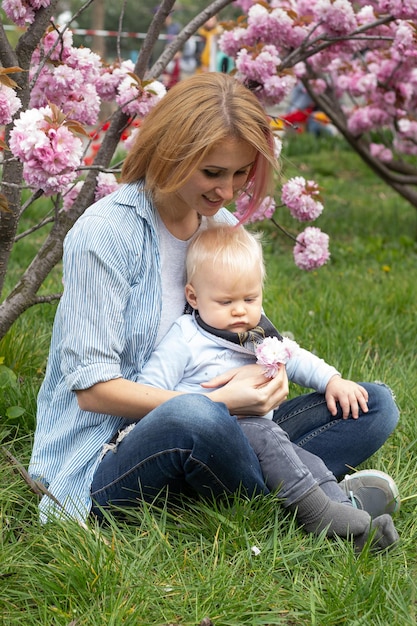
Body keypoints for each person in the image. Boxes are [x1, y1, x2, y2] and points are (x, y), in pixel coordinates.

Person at [28, 73, 399, 539]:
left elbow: (248, 332)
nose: (227, 191)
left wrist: (270, 375)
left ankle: (268, 494)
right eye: (212, 172)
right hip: (108, 449)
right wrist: (217, 400)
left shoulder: (217, 227)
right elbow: (93, 391)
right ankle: (322, 503)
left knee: (375, 405)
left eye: (240, 172)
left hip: (233, 423)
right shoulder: (105, 234)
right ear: (170, 153)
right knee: (196, 419)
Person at [135, 223, 399, 551]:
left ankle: (353, 526)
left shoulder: (252, 332)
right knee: (265, 435)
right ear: (193, 296)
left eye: (250, 298)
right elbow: (150, 396)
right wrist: (216, 402)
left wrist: (333, 380)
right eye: (225, 301)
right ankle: (316, 511)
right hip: (215, 451)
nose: (240, 310)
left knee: (307, 460)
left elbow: (294, 357)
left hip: (266, 437)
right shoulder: (185, 339)